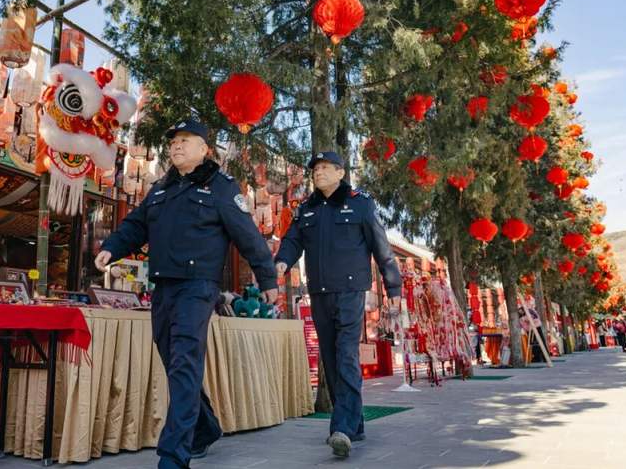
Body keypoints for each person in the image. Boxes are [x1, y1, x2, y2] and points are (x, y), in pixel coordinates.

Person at [95, 120, 277, 469]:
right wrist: (112, 247)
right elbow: (137, 224)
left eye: (184, 140)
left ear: (204, 149)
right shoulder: (162, 188)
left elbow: (247, 235)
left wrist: (267, 279)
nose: (176, 146)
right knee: (173, 359)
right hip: (163, 285)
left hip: (198, 286)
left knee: (184, 361)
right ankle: (205, 428)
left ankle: (173, 454)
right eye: (173, 141)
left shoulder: (221, 187)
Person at [274, 151, 402, 458]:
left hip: (349, 291)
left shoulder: (360, 203)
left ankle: (341, 428)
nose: (318, 173)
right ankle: (355, 424)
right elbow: (292, 240)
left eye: (324, 168)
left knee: (345, 355)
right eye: (315, 169)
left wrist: (392, 284)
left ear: (340, 172)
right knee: (330, 361)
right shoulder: (307, 207)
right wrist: (282, 261)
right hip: (319, 292)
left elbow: (380, 245)